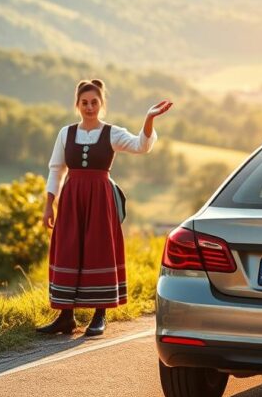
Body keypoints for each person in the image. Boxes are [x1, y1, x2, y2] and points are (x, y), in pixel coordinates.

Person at [37, 79, 173, 336]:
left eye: (94, 102)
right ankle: (66, 316)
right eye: (85, 103)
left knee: (99, 249)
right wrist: (48, 205)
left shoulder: (112, 132)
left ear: (102, 104)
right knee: (68, 249)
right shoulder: (66, 133)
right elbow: (56, 170)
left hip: (100, 198)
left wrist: (148, 118)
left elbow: (140, 146)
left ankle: (100, 315)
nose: (89, 107)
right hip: (72, 197)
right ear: (77, 105)